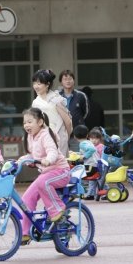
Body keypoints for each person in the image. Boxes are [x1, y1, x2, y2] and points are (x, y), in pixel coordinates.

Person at [19, 108, 71, 245]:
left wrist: (48, 160)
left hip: (61, 171)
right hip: (46, 174)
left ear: (40, 122)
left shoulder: (45, 134)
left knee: (43, 182)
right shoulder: (31, 137)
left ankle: (57, 209)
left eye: (30, 122)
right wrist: (21, 160)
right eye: (25, 123)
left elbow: (52, 151)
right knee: (25, 199)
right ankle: (25, 233)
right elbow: (34, 155)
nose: (26, 125)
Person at [31, 69, 72, 157]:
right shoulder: (35, 102)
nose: (36, 86)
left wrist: (66, 138)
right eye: (34, 83)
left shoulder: (56, 99)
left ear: (47, 84)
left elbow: (68, 122)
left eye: (39, 83)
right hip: (44, 140)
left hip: (59, 138)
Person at [59, 70, 88, 152]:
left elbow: (86, 113)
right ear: (61, 82)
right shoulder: (57, 96)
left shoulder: (81, 96)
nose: (68, 81)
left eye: (70, 79)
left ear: (74, 80)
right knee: (63, 159)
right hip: (61, 133)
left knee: (78, 158)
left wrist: (78, 120)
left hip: (77, 134)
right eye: (65, 79)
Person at [71, 125, 99, 200]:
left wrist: (83, 157)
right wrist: (75, 153)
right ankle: (90, 194)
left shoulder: (82, 144)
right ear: (87, 135)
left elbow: (92, 149)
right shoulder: (87, 142)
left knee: (74, 175)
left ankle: (79, 191)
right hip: (95, 166)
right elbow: (87, 151)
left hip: (91, 167)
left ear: (75, 136)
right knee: (92, 179)